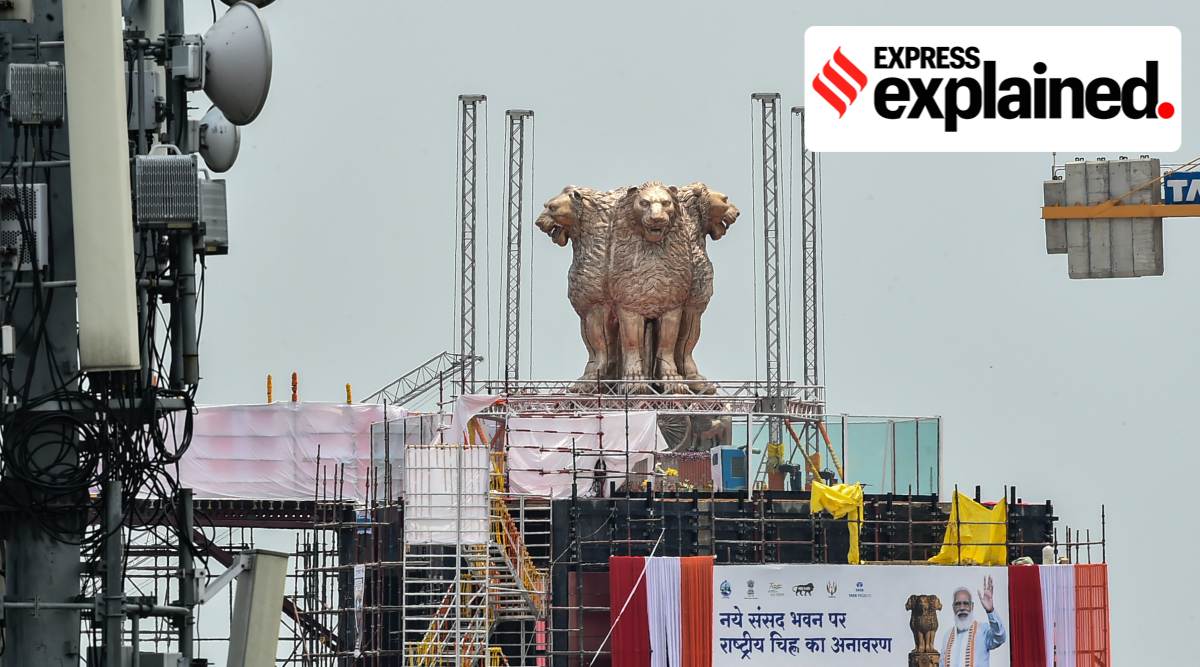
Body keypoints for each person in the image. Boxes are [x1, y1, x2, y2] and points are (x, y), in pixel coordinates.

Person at [941, 576, 1006, 667]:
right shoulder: (947, 636)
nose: (962, 608)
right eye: (958, 604)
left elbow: (1000, 637)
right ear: (953, 608)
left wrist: (990, 611)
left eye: (966, 603)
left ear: (972, 606)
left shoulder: (983, 630)